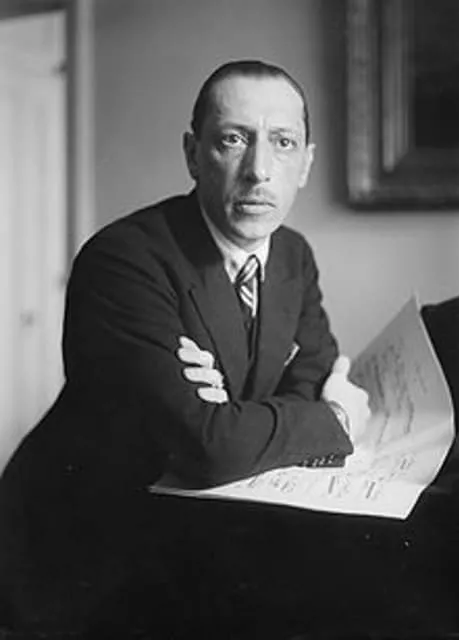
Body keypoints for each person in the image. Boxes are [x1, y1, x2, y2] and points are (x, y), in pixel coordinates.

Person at [0, 60, 370, 637]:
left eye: (282, 142)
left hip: (196, 540)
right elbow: (207, 447)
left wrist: (231, 418)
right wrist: (337, 419)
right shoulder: (123, 261)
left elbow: (310, 373)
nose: (259, 170)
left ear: (306, 163)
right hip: (82, 557)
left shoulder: (293, 255)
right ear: (193, 154)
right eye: (233, 140)